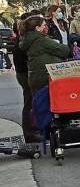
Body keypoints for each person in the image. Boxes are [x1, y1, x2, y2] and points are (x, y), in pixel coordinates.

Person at [12, 12, 40, 142]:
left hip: (25, 73)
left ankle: (34, 129)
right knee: (29, 102)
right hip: (25, 73)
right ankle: (29, 133)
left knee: (32, 101)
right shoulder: (23, 40)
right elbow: (22, 60)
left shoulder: (25, 38)